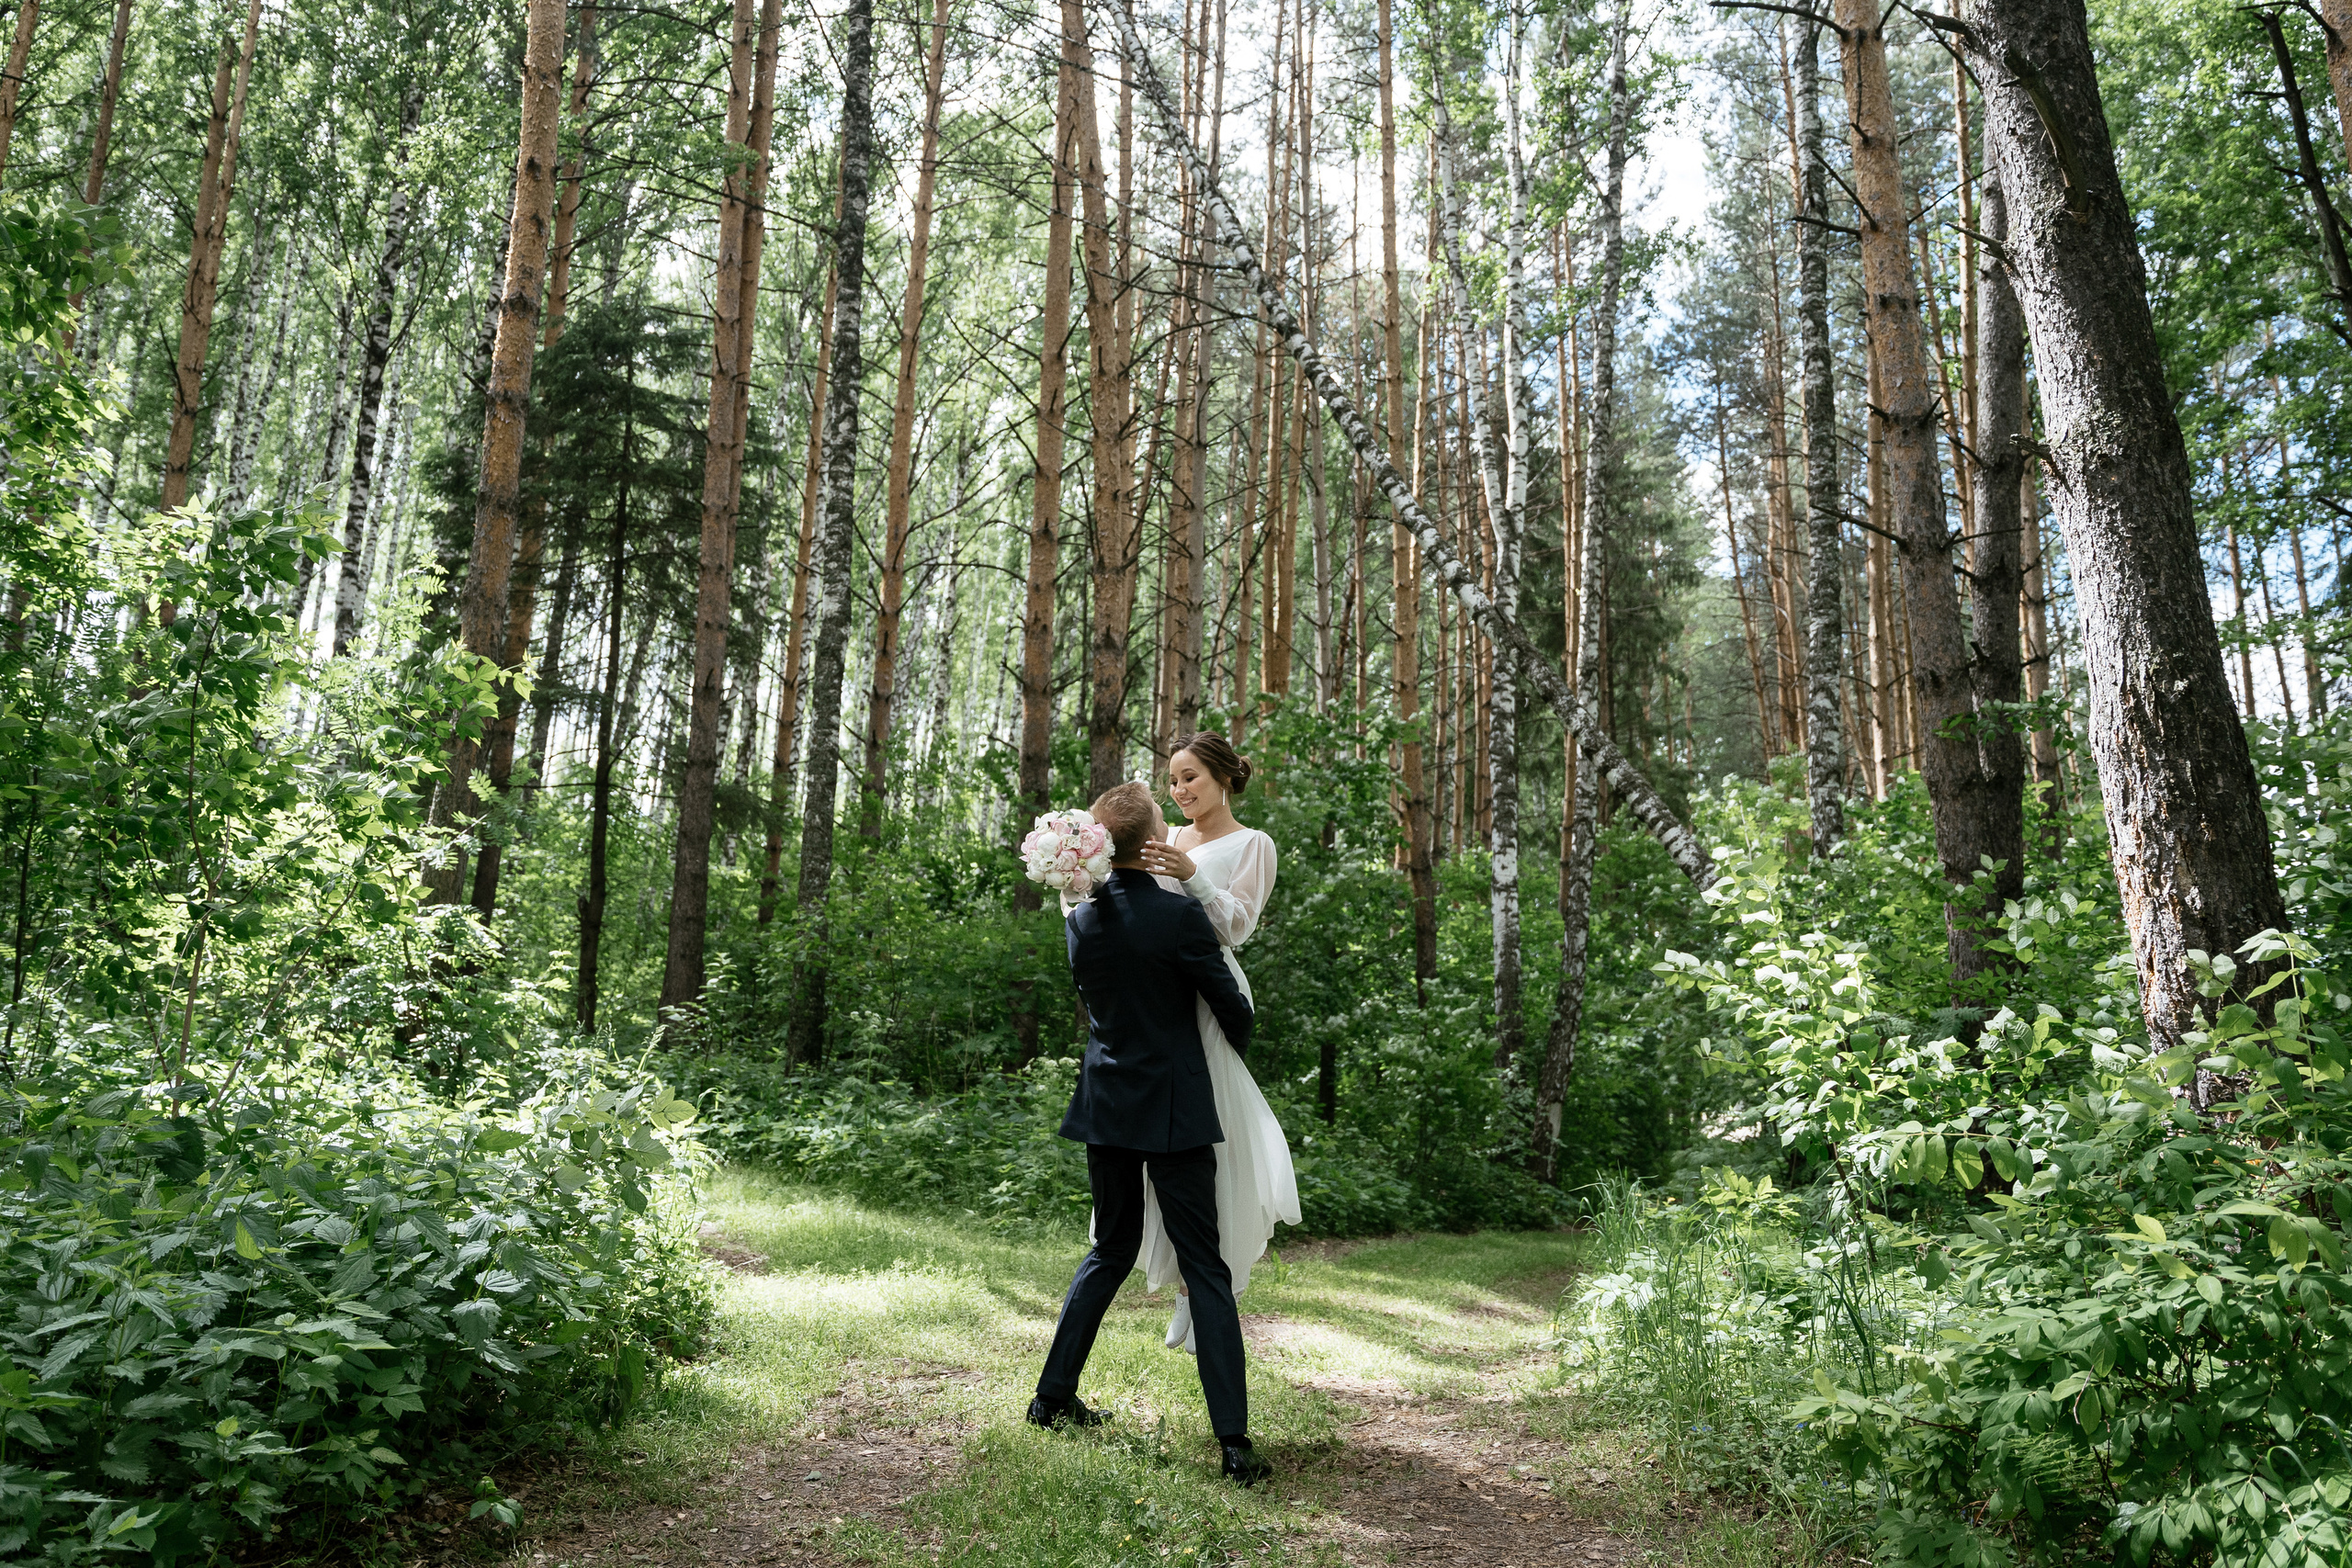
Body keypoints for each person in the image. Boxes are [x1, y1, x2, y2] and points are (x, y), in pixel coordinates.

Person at [1029, 781, 1274, 1487]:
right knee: (1206, 1267)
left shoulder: (1080, 918)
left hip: (1107, 1103)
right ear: (1152, 840)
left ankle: (1051, 1397)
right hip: (1174, 1106)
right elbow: (1234, 1010)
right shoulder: (1178, 917)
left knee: (1110, 1248)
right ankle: (1233, 1443)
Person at [1135, 733, 1300, 1354]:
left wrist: (1194, 878)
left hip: (1210, 994)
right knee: (1162, 1138)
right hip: (1159, 992)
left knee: (1210, 1134)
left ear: (1224, 777)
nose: (1179, 790)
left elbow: (1237, 925)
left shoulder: (1254, 843)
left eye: (1190, 777)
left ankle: (1207, 1287)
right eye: (1173, 780)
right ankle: (1183, 1279)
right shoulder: (1167, 836)